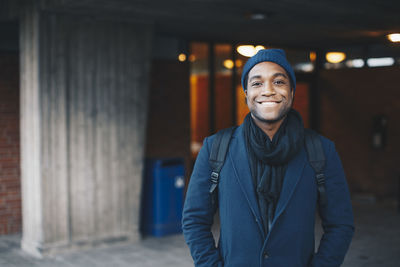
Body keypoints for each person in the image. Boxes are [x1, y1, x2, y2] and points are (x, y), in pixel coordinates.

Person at [182, 49, 354, 267]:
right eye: (257, 83)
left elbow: (341, 223)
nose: (268, 90)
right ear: (246, 94)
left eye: (279, 82)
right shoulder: (216, 147)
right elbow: (194, 220)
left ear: (291, 91)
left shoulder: (320, 149)